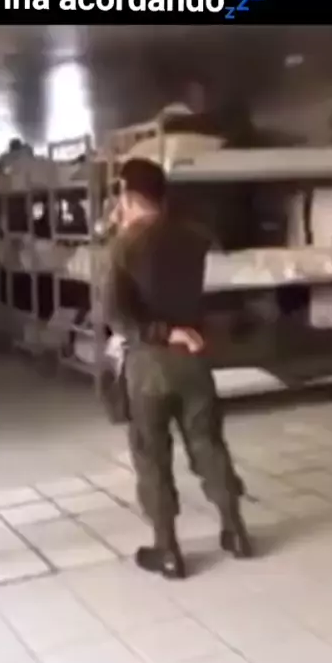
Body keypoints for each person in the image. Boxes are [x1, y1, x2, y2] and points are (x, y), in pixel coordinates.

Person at [104, 158, 252, 580]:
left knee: (151, 454)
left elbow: (117, 315)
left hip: (149, 365)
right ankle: (236, 531)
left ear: (127, 195)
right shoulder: (194, 236)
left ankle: (168, 549)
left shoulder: (125, 245)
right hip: (195, 360)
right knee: (208, 445)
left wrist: (163, 332)